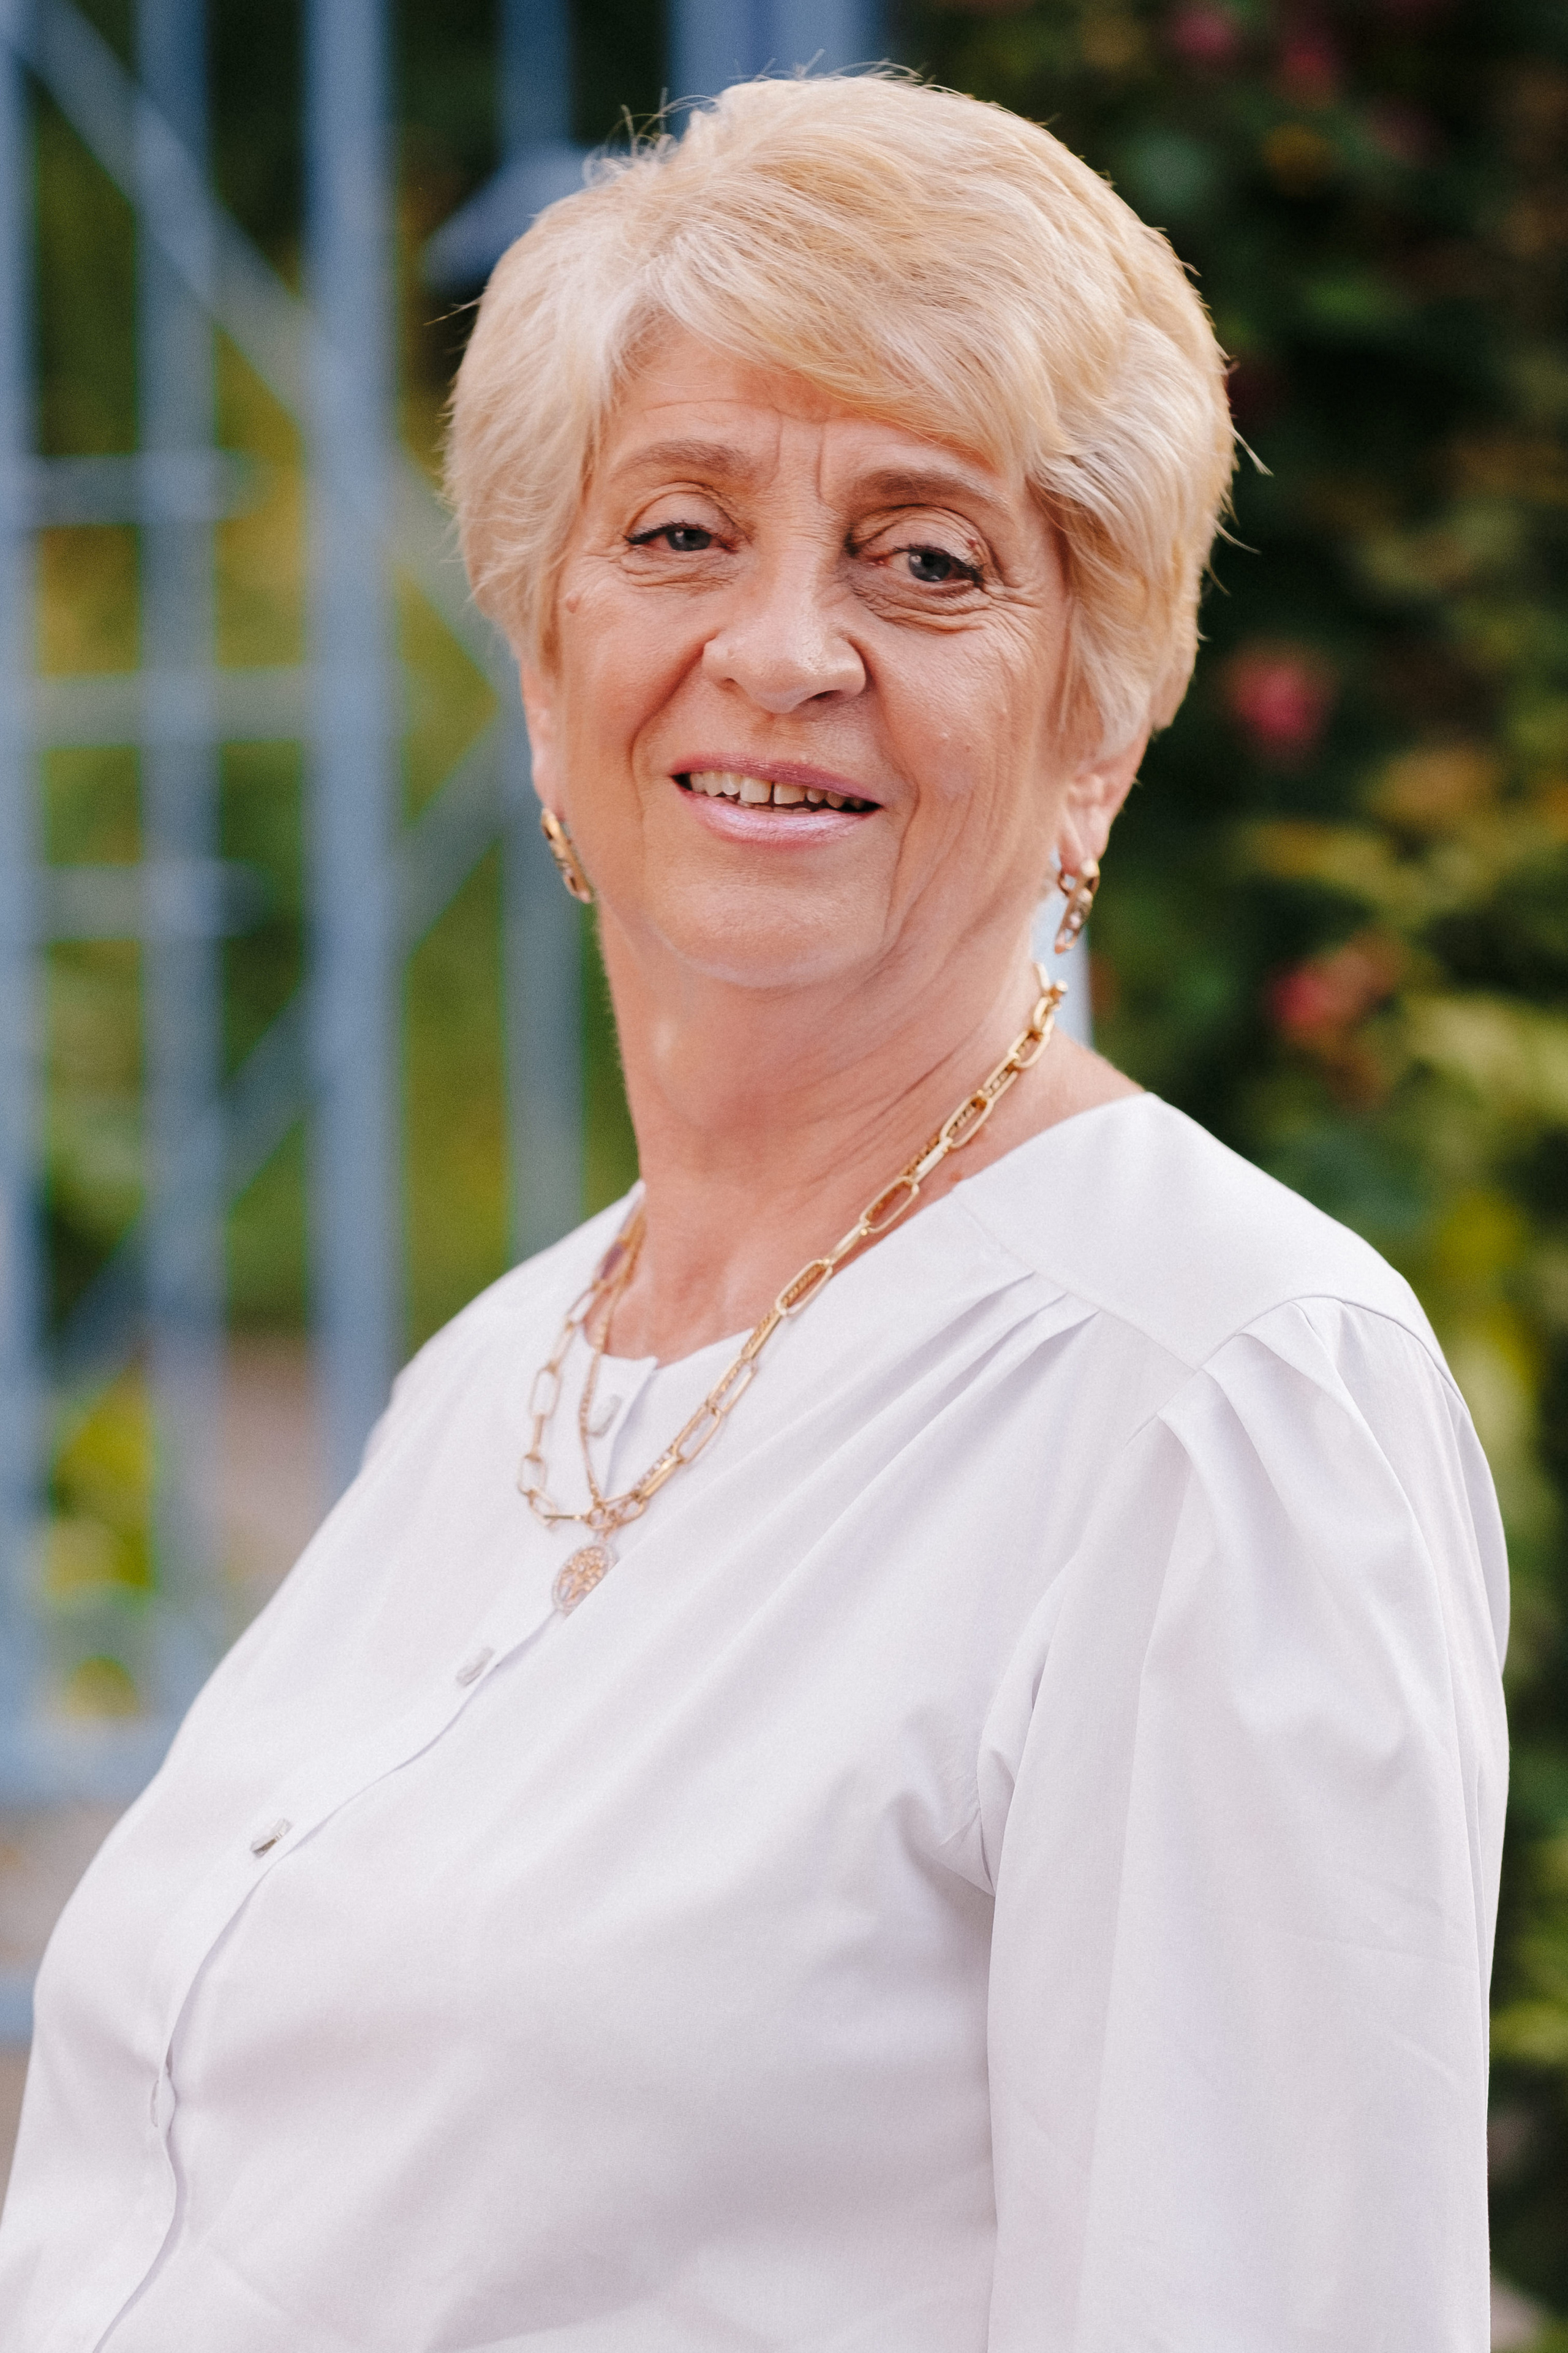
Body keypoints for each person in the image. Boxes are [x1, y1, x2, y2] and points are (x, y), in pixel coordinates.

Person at [0, 69, 1506, 2353]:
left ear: (1097, 711)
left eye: (928, 558)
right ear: (545, 668)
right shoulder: (502, 1369)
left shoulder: (1208, 1405)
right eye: (681, 533)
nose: (787, 648)